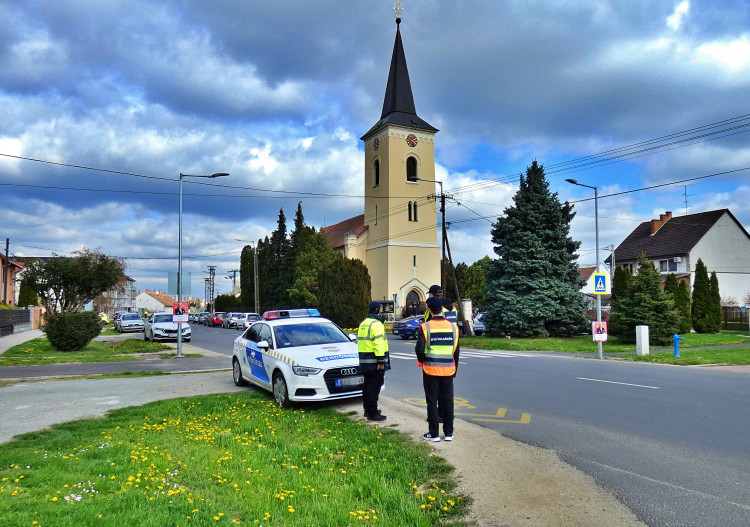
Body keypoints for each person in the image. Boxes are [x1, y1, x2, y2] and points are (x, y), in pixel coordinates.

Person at [415, 296, 460, 442]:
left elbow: (419, 350)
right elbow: (455, 350)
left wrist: (424, 360)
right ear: (442, 309)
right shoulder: (453, 327)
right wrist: (454, 367)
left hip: (430, 370)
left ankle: (433, 433)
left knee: (432, 400)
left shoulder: (425, 327)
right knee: (448, 400)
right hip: (448, 369)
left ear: (429, 310)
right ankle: (449, 433)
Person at [357, 301, 391, 421]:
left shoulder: (363, 323)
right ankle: (373, 413)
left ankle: (367, 410)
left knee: (367, 386)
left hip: (365, 360)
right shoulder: (376, 324)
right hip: (375, 361)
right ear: (377, 311)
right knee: (374, 387)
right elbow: (378, 344)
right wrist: (381, 361)